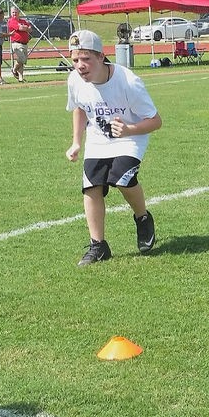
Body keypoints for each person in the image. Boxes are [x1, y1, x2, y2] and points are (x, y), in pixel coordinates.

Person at [65, 30, 161, 266]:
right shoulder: (75, 80)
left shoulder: (128, 82)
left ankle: (143, 218)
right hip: (99, 140)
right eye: (75, 60)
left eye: (86, 58)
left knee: (122, 178)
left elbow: (155, 121)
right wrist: (77, 141)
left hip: (131, 137)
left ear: (101, 56)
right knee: (91, 187)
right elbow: (79, 108)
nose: (80, 66)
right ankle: (98, 245)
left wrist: (129, 130)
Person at [7, 5, 31, 83]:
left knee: (22, 61)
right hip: (17, 43)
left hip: (25, 43)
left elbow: (30, 29)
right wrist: (25, 28)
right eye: (13, 12)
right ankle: (14, 70)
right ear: (11, 13)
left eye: (16, 12)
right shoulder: (11, 21)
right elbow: (21, 28)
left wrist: (25, 27)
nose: (14, 14)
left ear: (18, 13)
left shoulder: (23, 21)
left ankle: (20, 78)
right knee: (22, 59)